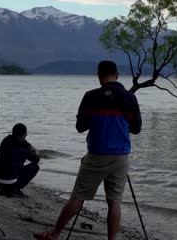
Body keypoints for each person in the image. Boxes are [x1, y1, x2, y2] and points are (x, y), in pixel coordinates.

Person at [35, 60, 142, 240]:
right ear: (117, 75)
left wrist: (98, 120)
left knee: (78, 197)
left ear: (99, 76)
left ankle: (55, 234)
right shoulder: (129, 97)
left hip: (97, 155)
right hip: (121, 156)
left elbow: (80, 126)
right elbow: (136, 128)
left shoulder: (91, 96)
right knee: (115, 202)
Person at [0, 123, 40, 198]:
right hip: (7, 182)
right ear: (23, 135)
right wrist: (36, 152)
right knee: (35, 167)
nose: (26, 135)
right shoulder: (24, 148)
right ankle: (14, 189)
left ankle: (6, 189)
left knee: (11, 166)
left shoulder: (6, 140)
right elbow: (36, 160)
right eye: (26, 134)